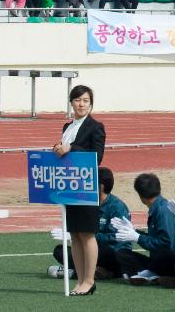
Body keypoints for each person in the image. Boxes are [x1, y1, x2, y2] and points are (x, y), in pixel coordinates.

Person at [51, 84, 106, 296]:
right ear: (71, 102)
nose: (81, 104)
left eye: (85, 100)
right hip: (69, 185)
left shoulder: (96, 126)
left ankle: (89, 280)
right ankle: (80, 280)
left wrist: (71, 148)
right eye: (77, 100)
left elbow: (97, 156)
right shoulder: (68, 127)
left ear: (91, 104)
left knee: (87, 234)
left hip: (87, 185)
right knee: (74, 235)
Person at [49, 166, 129, 281]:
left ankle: (75, 273)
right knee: (60, 251)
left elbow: (116, 237)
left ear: (100, 186)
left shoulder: (117, 207)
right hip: (92, 247)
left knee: (105, 253)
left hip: (113, 252)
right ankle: (97, 271)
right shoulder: (89, 203)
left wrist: (89, 236)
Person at [113, 173, 175, 284]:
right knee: (122, 254)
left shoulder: (162, 211)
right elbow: (156, 238)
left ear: (140, 195)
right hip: (158, 259)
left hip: (168, 260)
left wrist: (138, 238)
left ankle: (151, 273)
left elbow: (166, 244)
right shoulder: (158, 207)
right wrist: (133, 231)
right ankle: (149, 273)